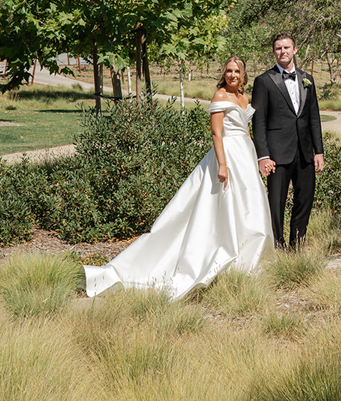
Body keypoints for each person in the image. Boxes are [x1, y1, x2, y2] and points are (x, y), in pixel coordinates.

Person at [82, 57, 273, 301]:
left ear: (243, 74)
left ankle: (247, 265)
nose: (232, 75)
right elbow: (216, 132)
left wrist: (254, 155)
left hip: (245, 154)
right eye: (228, 71)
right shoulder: (220, 96)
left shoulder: (243, 98)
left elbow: (246, 131)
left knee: (249, 208)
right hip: (227, 156)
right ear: (223, 73)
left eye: (237, 71)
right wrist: (223, 165)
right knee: (222, 210)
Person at [252, 33, 324, 249]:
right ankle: (277, 245)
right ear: (274, 52)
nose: (282, 51)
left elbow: (314, 117)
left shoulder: (307, 79)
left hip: (304, 153)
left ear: (295, 50)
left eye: (286, 47)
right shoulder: (263, 81)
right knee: (276, 204)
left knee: (305, 200)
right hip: (276, 155)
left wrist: (318, 151)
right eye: (278, 48)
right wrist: (263, 156)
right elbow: (259, 122)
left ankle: (297, 245)